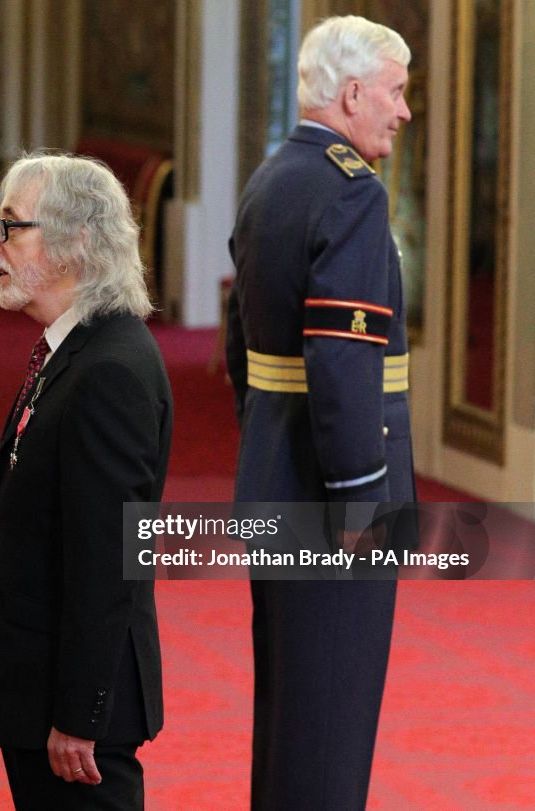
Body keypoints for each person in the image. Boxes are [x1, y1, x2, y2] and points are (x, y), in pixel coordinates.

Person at [225, 16, 415, 810]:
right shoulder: (351, 194)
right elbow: (342, 364)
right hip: (335, 499)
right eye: (397, 92)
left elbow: (244, 350)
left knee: (291, 717)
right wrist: (362, 499)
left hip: (277, 475)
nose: (404, 111)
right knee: (330, 732)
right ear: (352, 93)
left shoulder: (273, 177)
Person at [0, 153, 173, 810]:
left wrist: (80, 714)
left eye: (9, 228)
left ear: (77, 241)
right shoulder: (74, 349)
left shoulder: (109, 370)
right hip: (41, 691)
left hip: (80, 719)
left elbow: (107, 559)